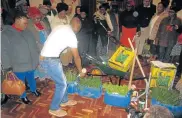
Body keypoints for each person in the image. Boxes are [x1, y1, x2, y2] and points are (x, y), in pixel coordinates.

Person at [40, 24, 85, 117]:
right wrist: (81, 71)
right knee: (61, 84)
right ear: (77, 30)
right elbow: (76, 57)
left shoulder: (60, 26)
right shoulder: (72, 36)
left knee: (62, 80)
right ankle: (54, 108)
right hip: (50, 60)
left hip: (46, 58)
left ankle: (64, 101)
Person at [1, 10, 41, 104]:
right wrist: (8, 67)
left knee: (31, 78)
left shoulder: (27, 31)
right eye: (25, 23)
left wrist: (37, 57)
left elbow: (34, 45)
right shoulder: (6, 34)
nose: (26, 25)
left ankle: (33, 90)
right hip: (18, 65)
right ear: (17, 21)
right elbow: (3, 52)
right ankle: (23, 96)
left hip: (31, 63)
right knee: (21, 82)